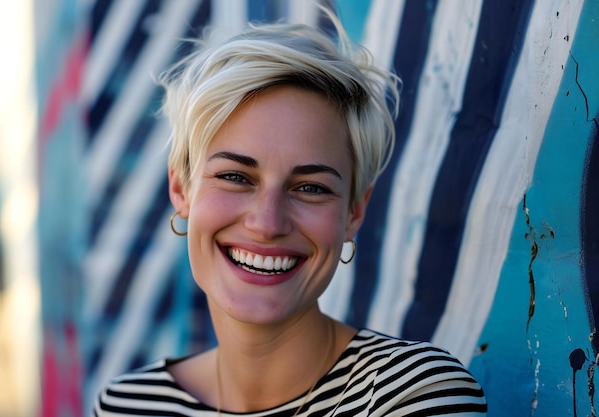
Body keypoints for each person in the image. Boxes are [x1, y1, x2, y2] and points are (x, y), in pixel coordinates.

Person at [92, 10, 487, 417]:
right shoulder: (128, 405)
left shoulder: (413, 395)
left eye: (311, 188)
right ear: (181, 188)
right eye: (234, 176)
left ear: (354, 212)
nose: (266, 223)